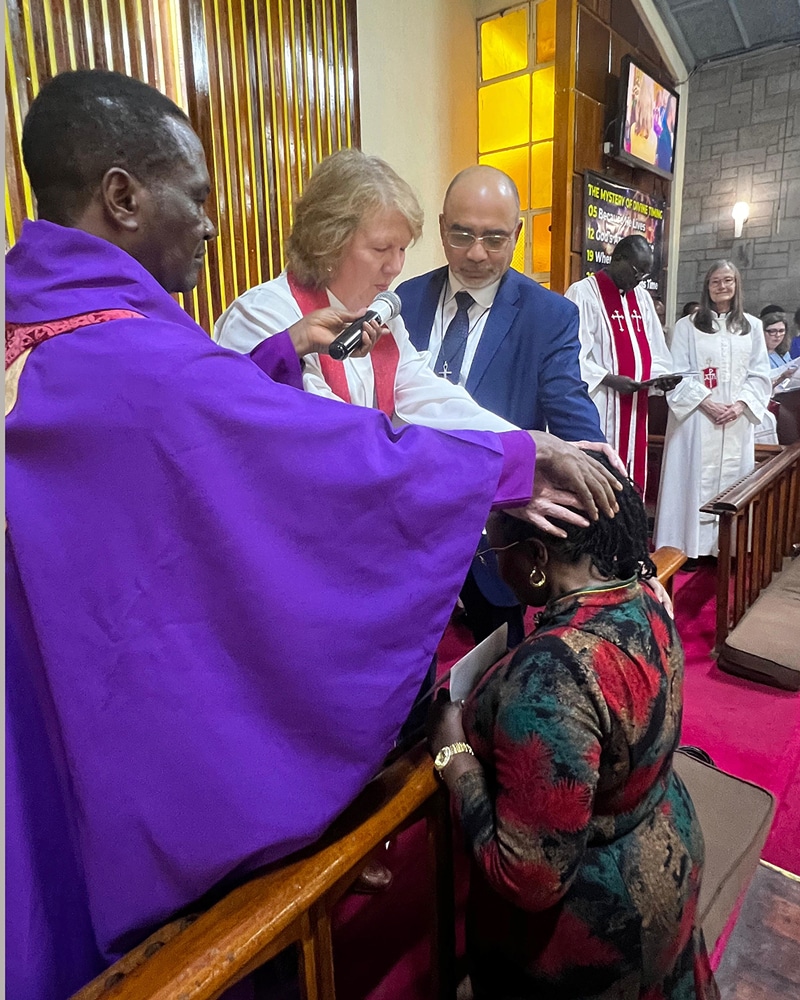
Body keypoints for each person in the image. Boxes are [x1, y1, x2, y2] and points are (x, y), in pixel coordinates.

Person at [6, 70, 622, 1000]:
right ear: (123, 194)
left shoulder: (47, 323)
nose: (213, 223)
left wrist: (277, 359)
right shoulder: (136, 350)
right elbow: (281, 450)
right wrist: (508, 466)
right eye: (200, 197)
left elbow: (212, 408)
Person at [427, 458, 720, 1000]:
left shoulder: (550, 676)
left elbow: (530, 876)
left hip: (592, 934)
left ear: (537, 557)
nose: (496, 567)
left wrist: (453, 754)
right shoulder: (643, 591)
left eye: (497, 552)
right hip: (663, 856)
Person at [397, 165, 607, 647]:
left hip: (497, 532)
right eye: (461, 234)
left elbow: (575, 424)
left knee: (497, 668)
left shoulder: (548, 315)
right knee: (404, 672)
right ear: (443, 223)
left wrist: (613, 542)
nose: (475, 253)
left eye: (494, 238)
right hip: (408, 522)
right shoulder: (402, 300)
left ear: (517, 233)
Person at [214, 149, 515, 437]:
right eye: (381, 249)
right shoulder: (262, 316)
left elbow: (433, 399)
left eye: (402, 249)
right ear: (328, 243)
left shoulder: (380, 316)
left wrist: (527, 444)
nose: (396, 267)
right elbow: (329, 432)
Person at [653, 261, 771, 560]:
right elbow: (676, 373)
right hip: (696, 418)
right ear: (707, 287)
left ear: (736, 285)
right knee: (690, 481)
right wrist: (705, 402)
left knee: (734, 482)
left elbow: (759, 375)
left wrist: (741, 405)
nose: (722, 286)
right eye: (716, 281)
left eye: (728, 281)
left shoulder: (752, 327)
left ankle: (726, 549)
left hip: (735, 420)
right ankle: (685, 550)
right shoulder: (688, 326)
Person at [565, 235, 678, 491]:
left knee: (632, 483)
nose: (639, 281)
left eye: (645, 276)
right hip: (602, 406)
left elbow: (656, 353)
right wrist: (609, 379)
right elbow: (570, 357)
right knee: (601, 482)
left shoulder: (643, 300)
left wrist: (661, 378)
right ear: (617, 259)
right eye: (637, 272)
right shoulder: (584, 293)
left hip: (636, 410)